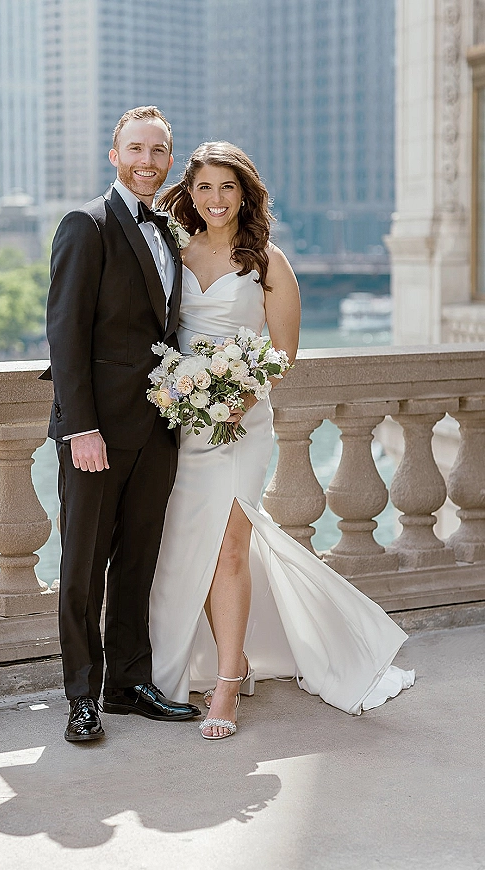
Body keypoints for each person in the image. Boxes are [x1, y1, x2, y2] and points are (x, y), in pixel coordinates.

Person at [150, 142, 415, 739]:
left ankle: (226, 686)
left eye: (227, 187)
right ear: (188, 194)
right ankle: (231, 657)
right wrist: (185, 391)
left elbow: (282, 351)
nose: (215, 199)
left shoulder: (268, 262)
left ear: (245, 194)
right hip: (186, 422)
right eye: (203, 188)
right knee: (189, 546)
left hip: (244, 422)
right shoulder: (175, 253)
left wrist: (239, 393)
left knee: (232, 547)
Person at [42, 106, 200, 743]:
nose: (148, 162)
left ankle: (129, 684)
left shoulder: (167, 231)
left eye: (159, 152)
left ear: (169, 160)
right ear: (115, 156)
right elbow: (66, 334)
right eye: (136, 149)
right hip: (97, 434)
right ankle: (82, 696)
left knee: (138, 562)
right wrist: (81, 427)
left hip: (158, 430)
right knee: (82, 570)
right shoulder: (87, 224)